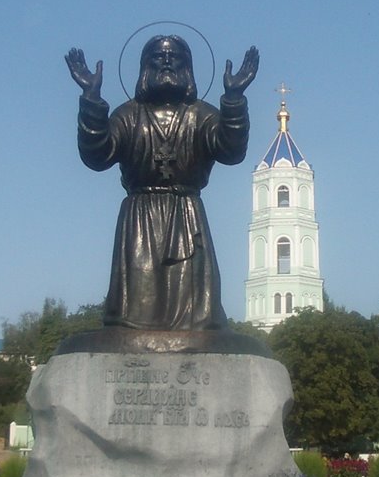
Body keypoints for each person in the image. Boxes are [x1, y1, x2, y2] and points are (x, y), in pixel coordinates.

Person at [66, 34, 259, 332]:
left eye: (175, 57)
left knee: (197, 315)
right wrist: (91, 99)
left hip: (186, 214)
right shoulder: (129, 115)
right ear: (145, 67)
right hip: (140, 218)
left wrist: (233, 100)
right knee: (134, 312)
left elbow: (231, 151)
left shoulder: (201, 115)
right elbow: (97, 155)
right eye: (158, 56)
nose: (166, 62)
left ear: (188, 67)